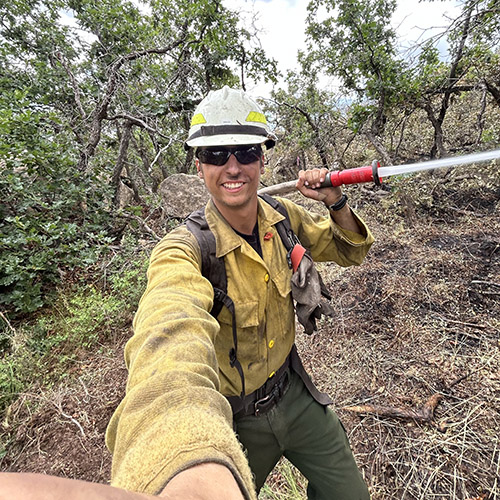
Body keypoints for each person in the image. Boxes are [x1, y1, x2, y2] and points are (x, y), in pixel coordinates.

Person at [0, 86, 373, 500]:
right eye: (216, 155)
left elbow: (349, 250)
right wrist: (183, 449)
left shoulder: (284, 217)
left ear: (262, 159)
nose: (233, 167)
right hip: (234, 420)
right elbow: (168, 330)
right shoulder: (186, 248)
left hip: (295, 394)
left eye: (245, 152)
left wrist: (335, 201)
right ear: (199, 167)